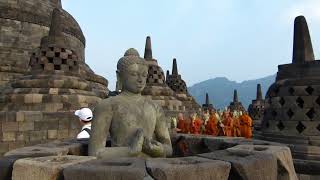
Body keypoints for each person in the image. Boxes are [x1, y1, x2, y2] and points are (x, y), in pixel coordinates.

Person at [88, 48, 172, 159]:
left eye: (144, 75)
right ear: (119, 76)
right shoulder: (107, 106)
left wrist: (159, 150)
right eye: (134, 74)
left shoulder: (155, 107)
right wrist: (130, 151)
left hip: (154, 168)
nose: (140, 80)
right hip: (121, 170)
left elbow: (169, 148)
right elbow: (95, 152)